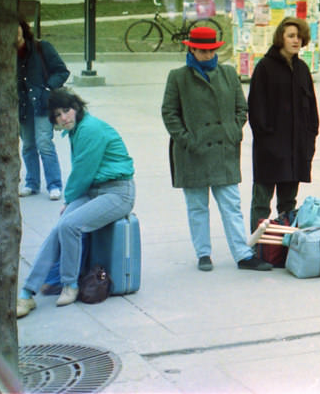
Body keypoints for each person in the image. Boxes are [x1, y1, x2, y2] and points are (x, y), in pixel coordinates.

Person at [16, 89, 135, 318]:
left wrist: (69, 199)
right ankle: (26, 292)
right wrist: (71, 201)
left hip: (118, 192)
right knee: (59, 229)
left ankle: (70, 284)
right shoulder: (77, 130)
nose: (64, 118)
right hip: (94, 190)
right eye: (58, 115)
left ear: (77, 107)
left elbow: (83, 171)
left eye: (67, 111)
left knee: (69, 225)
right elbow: (84, 176)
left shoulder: (90, 129)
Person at [161, 26, 271, 272]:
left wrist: (232, 132)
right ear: (191, 49)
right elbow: (169, 113)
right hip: (193, 153)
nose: (207, 55)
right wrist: (188, 139)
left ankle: (242, 254)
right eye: (201, 51)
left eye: (211, 50)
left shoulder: (229, 74)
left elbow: (241, 109)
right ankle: (203, 253)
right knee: (197, 206)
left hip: (223, 150)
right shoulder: (178, 77)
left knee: (231, 204)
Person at [248, 17, 320, 222]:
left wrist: (310, 137)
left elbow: (312, 110)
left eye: (299, 36)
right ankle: (259, 245)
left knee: (288, 203)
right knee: (262, 202)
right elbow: (256, 110)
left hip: (296, 149)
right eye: (291, 36)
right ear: (281, 38)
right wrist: (268, 139)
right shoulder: (264, 67)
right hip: (270, 150)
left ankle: (283, 247)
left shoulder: (302, 69)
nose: (296, 40)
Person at [16, 18, 70, 199]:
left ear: (23, 30)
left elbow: (62, 71)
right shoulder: (6, 54)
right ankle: (32, 183)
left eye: (16, 29)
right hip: (22, 107)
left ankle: (54, 185)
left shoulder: (41, 47)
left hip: (42, 105)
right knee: (28, 145)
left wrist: (47, 89)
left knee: (44, 143)